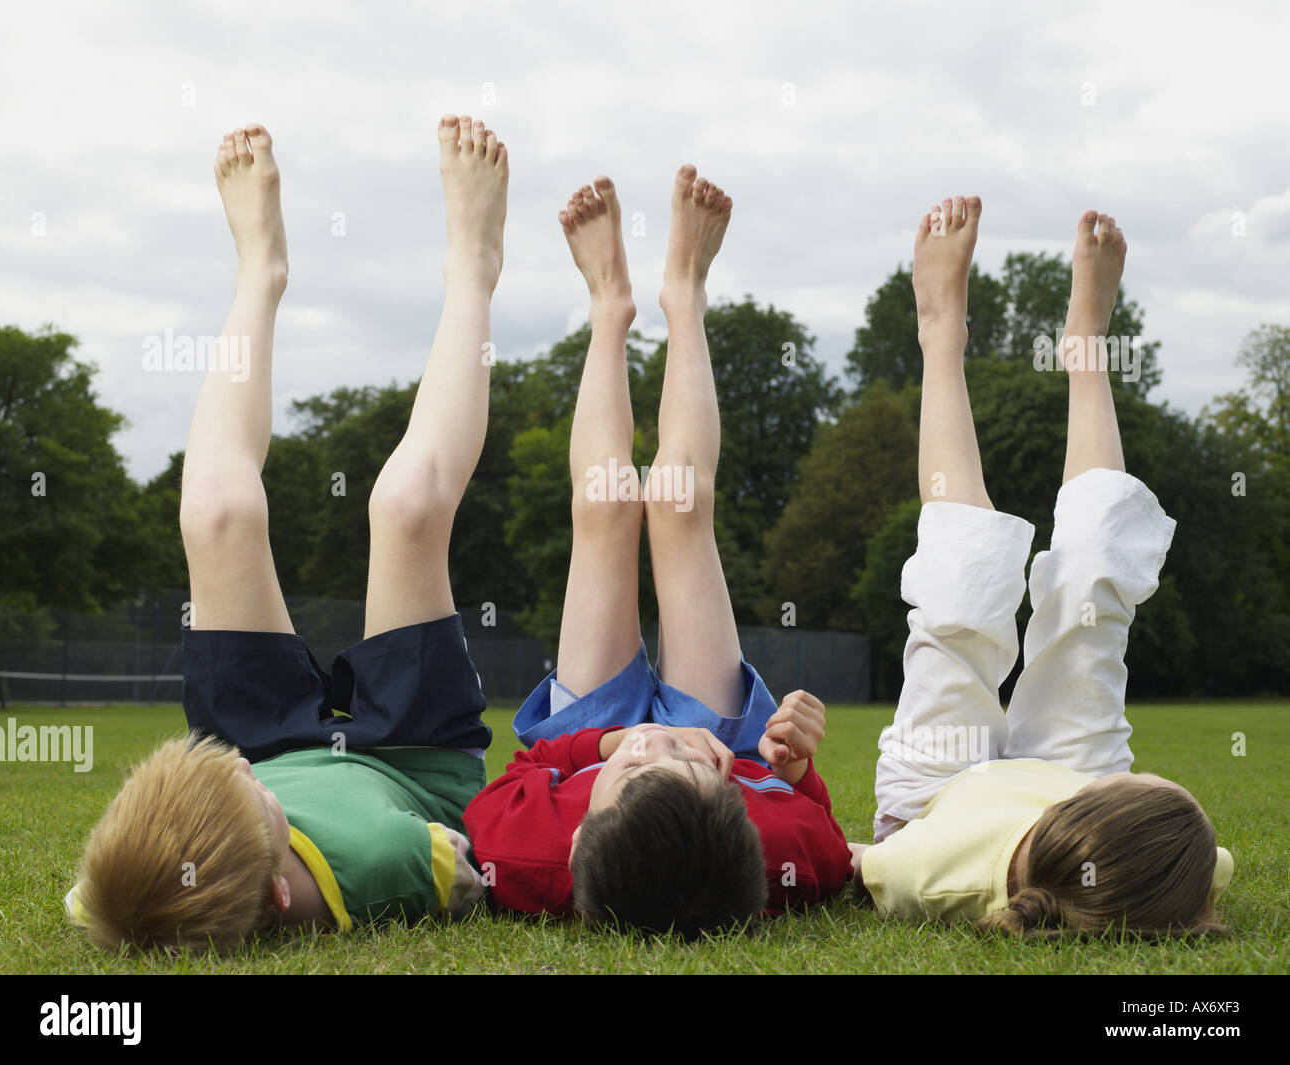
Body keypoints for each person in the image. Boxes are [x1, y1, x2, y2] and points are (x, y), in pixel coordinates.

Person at [67, 115, 508, 950]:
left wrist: (231, 783)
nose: (222, 767)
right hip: (406, 760)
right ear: (280, 891)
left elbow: (107, 897)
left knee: (215, 513)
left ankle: (257, 272)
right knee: (405, 507)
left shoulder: (177, 836)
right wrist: (449, 857)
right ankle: (473, 270)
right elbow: (458, 868)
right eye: (238, 792)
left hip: (267, 740)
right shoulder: (380, 860)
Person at [463, 166, 854, 936]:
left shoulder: (526, 854)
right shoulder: (774, 844)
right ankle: (686, 298)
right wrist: (792, 770)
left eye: (635, 764)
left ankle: (609, 306)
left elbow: (517, 776)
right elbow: (825, 836)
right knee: (679, 500)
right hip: (730, 743)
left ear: (579, 840)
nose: (650, 742)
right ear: (724, 791)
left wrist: (600, 746)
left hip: (578, 752)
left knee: (605, 502)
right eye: (670, 759)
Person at [850, 195, 1234, 937]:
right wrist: (1123, 817)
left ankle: (938, 336)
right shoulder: (1170, 861)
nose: (1162, 777)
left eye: (1158, 786)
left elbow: (862, 863)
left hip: (939, 799)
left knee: (960, 585)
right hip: (1075, 786)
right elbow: (1193, 862)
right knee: (1093, 578)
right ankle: (1085, 342)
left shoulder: (933, 868)